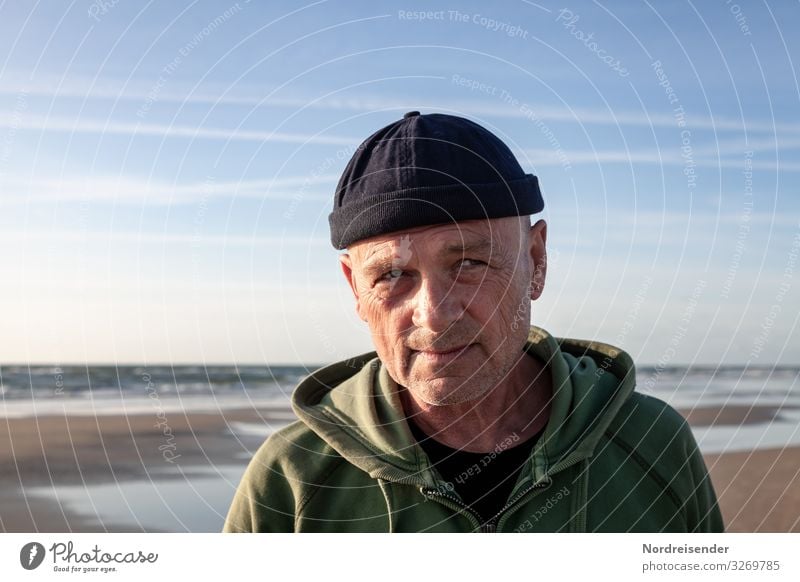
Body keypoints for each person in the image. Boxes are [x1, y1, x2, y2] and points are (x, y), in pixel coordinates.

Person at [223, 111, 724, 533]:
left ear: (536, 260)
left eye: (469, 264)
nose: (435, 313)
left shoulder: (651, 443)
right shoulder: (290, 480)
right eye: (392, 275)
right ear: (355, 287)